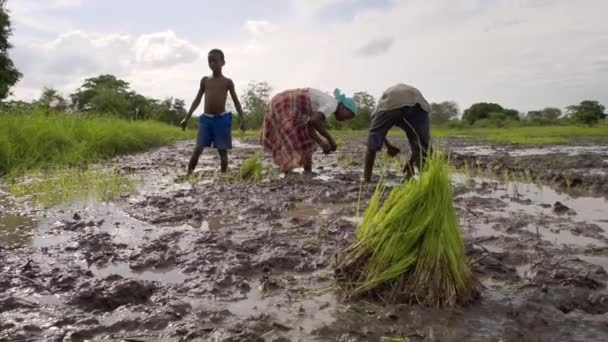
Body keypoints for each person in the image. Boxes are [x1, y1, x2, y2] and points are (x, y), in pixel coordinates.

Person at [180, 48, 245, 176]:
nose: (212, 64)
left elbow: (237, 102)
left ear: (223, 63)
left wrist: (242, 119)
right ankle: (188, 175)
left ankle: (223, 176)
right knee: (198, 149)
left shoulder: (228, 82)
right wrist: (186, 118)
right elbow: (197, 99)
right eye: (209, 61)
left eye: (215, 61)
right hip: (206, 120)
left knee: (222, 152)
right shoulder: (205, 80)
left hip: (221, 120)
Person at [261, 88, 357, 174]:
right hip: (285, 103)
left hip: (295, 107)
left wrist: (321, 143)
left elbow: (310, 126)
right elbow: (315, 121)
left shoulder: (327, 105)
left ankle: (308, 171)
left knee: (305, 136)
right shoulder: (332, 104)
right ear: (344, 107)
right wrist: (331, 140)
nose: (345, 120)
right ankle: (287, 172)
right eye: (348, 116)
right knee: (291, 137)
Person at [363, 83, 431, 183]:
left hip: (393, 101)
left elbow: (375, 132)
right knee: (422, 147)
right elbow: (419, 142)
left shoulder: (379, 108)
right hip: (418, 105)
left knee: (372, 144)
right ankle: (427, 181)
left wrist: (389, 146)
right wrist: (390, 147)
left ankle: (366, 180)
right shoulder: (414, 109)